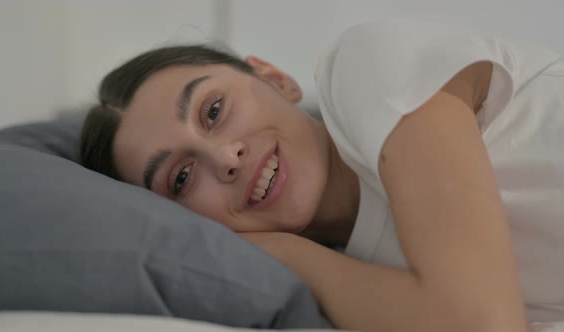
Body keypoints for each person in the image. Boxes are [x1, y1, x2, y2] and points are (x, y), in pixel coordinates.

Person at [80, 18, 564, 332]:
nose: (225, 156)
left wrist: (286, 252)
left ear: (274, 79)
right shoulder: (355, 289)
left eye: (214, 110)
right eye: (181, 178)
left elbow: (479, 323)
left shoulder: (366, 64)